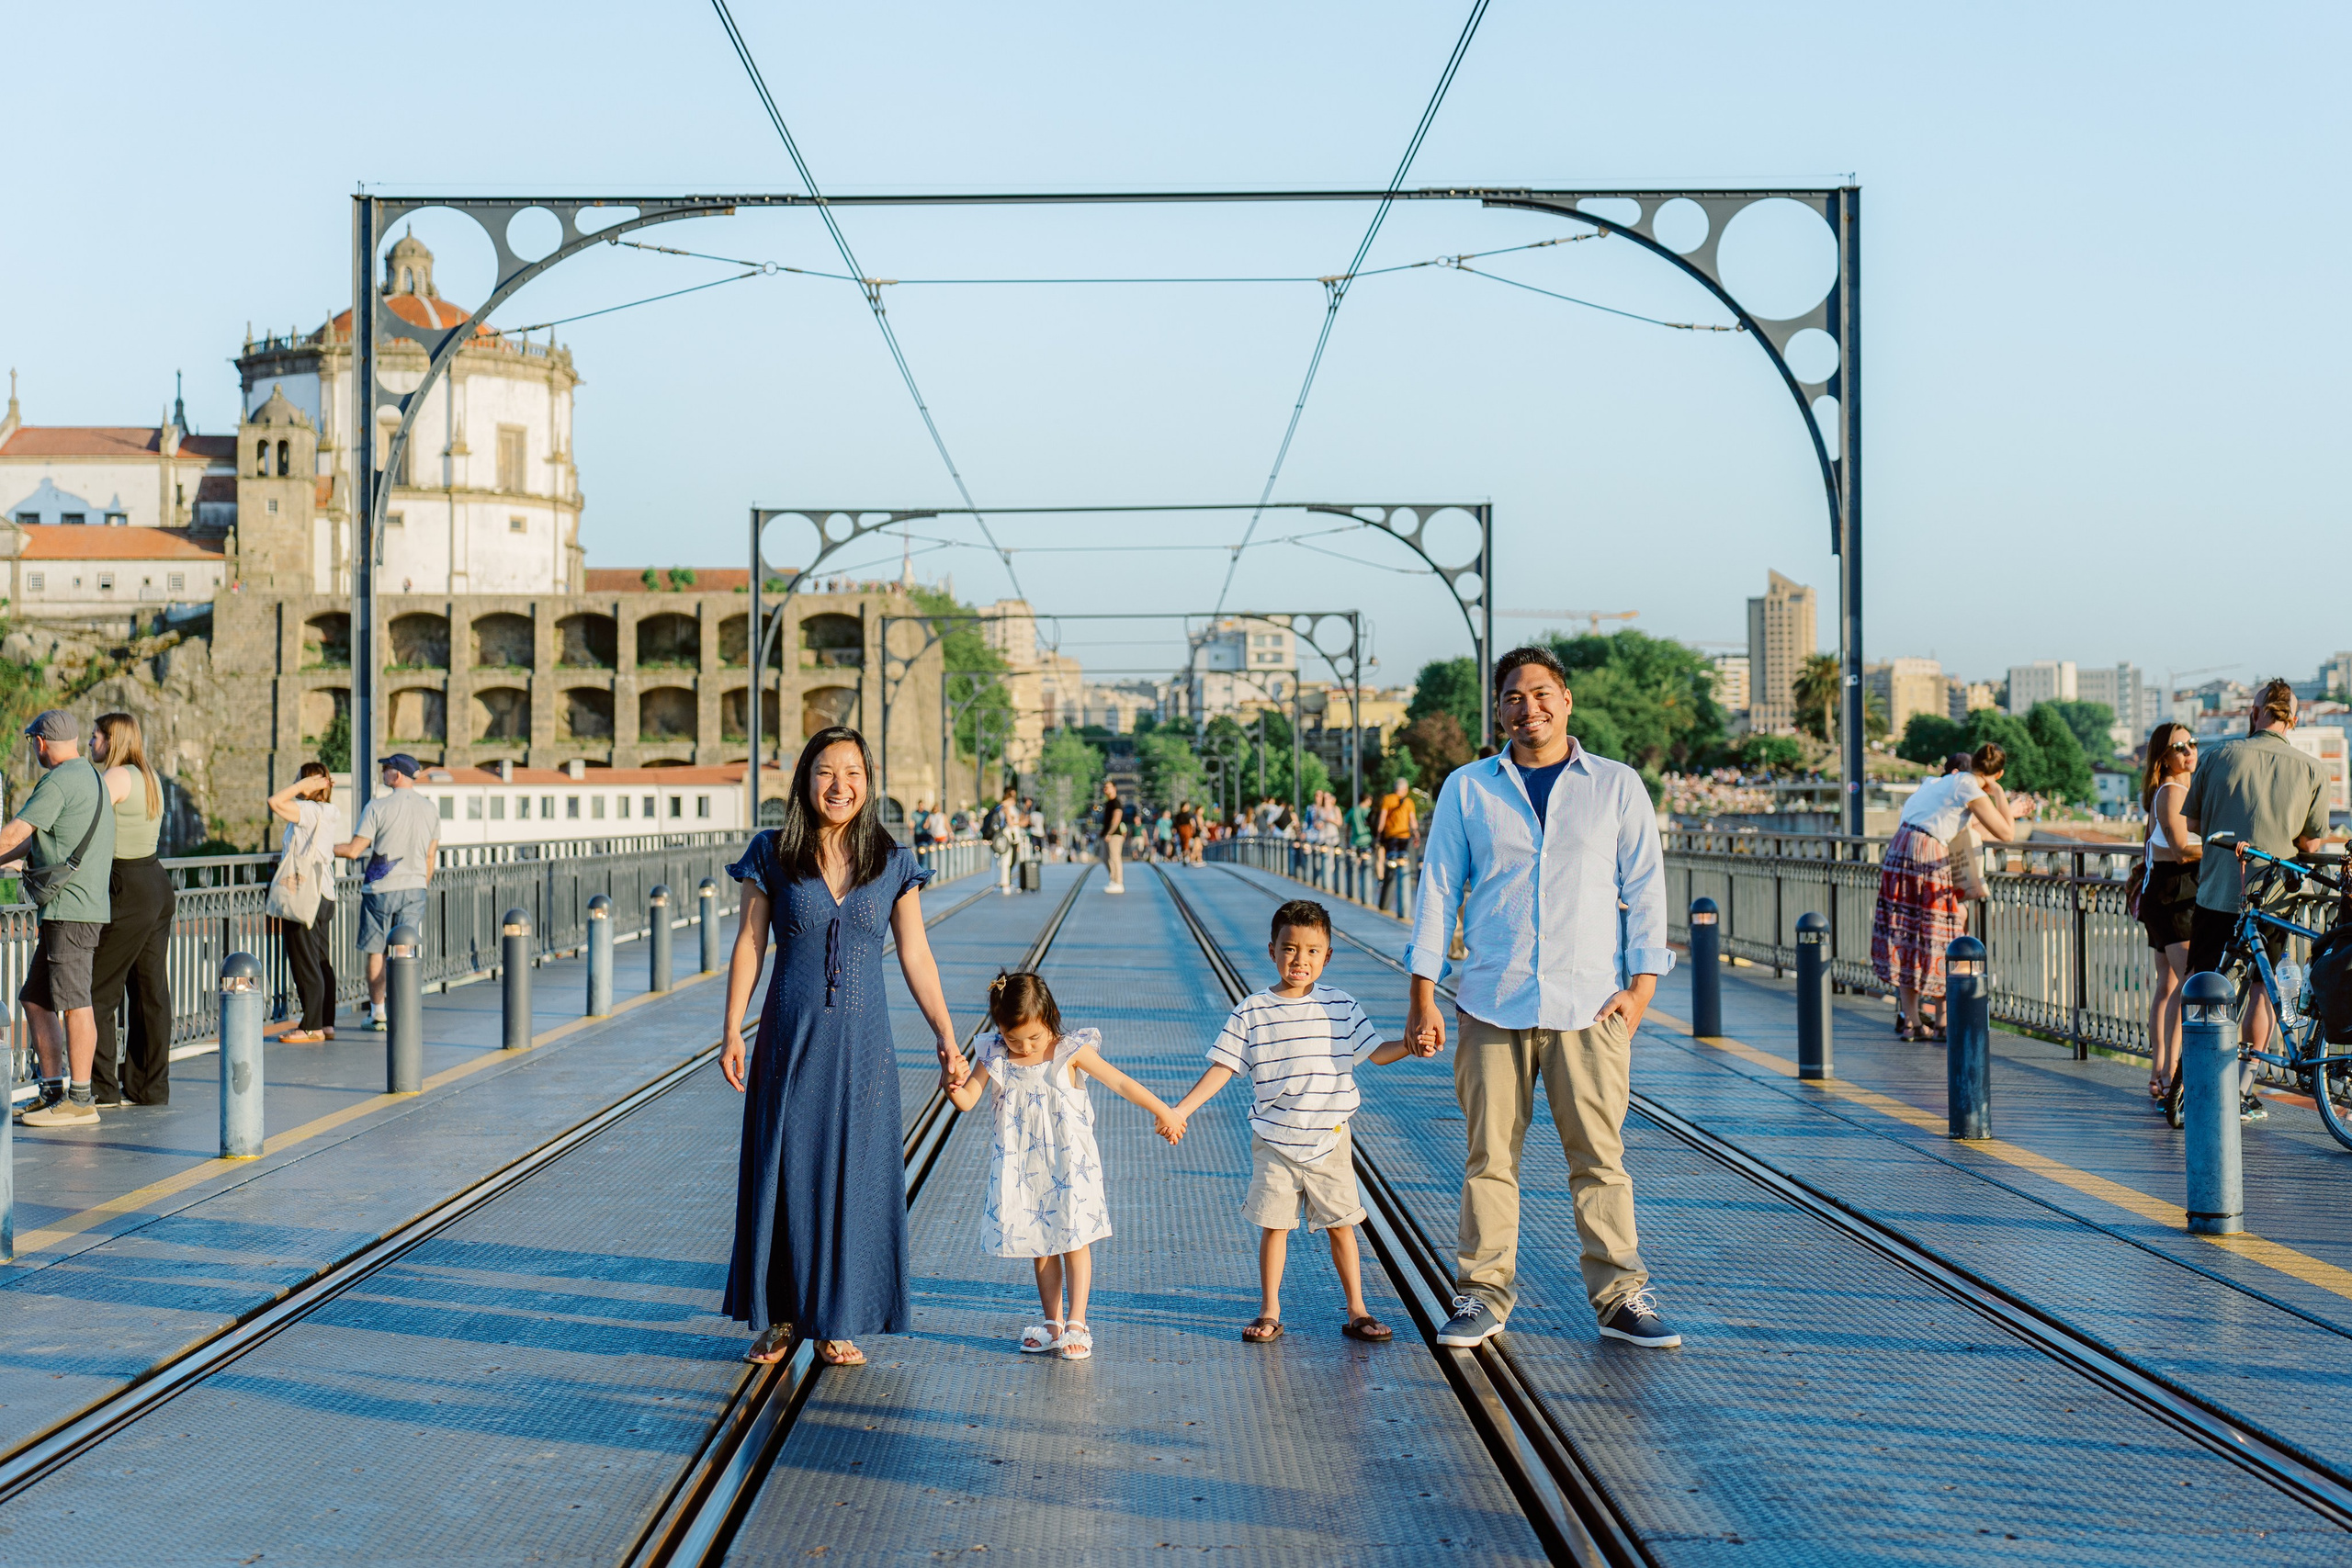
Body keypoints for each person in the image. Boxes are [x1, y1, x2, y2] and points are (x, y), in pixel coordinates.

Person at [1404, 647, 1681, 1350]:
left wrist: (1641, 990)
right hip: (1491, 999)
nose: (1529, 708)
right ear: (1498, 709)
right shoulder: (1468, 789)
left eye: (1541, 693)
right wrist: (1424, 993)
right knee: (1489, 1156)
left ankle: (1621, 1295)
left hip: (1590, 1005)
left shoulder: (1615, 785)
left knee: (1599, 1156)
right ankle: (1482, 1293)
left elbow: (1646, 887)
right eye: (1513, 698)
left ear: (1566, 698)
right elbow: (1438, 890)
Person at [722, 726, 959, 1368]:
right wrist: (731, 1029)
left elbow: (916, 953)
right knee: (785, 1167)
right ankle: (780, 1318)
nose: (840, 785)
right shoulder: (771, 853)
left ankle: (837, 1318)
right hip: (789, 1037)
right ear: (805, 779)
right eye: (826, 771)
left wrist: (945, 1034)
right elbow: (750, 945)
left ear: (868, 782)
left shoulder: (892, 860)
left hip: (866, 1046)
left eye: (852, 772)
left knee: (856, 1174)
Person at [1166, 898, 1421, 1345]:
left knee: (1344, 1224)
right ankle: (1269, 1309)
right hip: (1275, 1140)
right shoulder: (1253, 1011)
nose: (1299, 960)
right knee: (1275, 1225)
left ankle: (1357, 1309)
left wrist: (1411, 1043)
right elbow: (1224, 1067)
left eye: (1311, 951)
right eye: (1289, 949)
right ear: (1271, 950)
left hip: (1330, 1138)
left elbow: (1376, 1053)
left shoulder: (1341, 1006)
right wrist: (1182, 1109)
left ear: (1327, 956)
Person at [944, 970, 1182, 1362]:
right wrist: (953, 1084)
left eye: (1033, 1038)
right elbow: (969, 1099)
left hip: (1069, 1164)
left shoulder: (1070, 1051)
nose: (1023, 1047)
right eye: (1012, 1038)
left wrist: (1164, 1111)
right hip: (1024, 1166)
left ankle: (1077, 1321)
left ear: (1050, 1017)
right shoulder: (995, 1055)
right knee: (1041, 1244)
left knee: (1073, 1239)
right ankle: (1052, 1322)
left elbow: (1121, 1083)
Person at [2183, 678, 2328, 1122]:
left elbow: (2193, 824)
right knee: (2264, 990)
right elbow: (2311, 842)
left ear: (2255, 711)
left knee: (2203, 988)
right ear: (2294, 720)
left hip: (2217, 893)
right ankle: (2245, 1089)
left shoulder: (2219, 756)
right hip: (2275, 900)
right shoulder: (2311, 769)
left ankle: (2197, 1083)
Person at [0, 710, 117, 1127]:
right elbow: (34, 840)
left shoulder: (58, 780)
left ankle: (80, 1100)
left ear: (41, 743)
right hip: (76, 908)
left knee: (75, 1003)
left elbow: (15, 833)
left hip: (71, 911)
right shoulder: (90, 778)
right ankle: (52, 1091)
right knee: (35, 997)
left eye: (32, 741)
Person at [1870, 743, 2028, 1041]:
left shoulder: (1937, 782)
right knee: (1944, 934)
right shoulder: (1971, 788)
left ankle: (1912, 1022)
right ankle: (1942, 1022)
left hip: (1900, 847)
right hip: (1927, 854)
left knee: (1906, 933)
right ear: (1998, 773)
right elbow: (2007, 833)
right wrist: (1998, 793)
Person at [87, 712, 177, 1107]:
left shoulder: (116, 777)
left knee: (95, 990)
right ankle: (149, 1087)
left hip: (127, 887)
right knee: (150, 992)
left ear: (112, 740)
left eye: (95, 736)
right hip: (155, 884)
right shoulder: (149, 776)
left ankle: (100, 1088)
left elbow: (80, 820)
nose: (90, 743)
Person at [334, 752, 439, 1032]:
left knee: (376, 950)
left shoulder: (377, 807)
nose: (383, 773)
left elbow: (355, 850)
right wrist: (422, 884)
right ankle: (403, 1010)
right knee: (404, 949)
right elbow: (431, 856)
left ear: (398, 775)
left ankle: (378, 1011)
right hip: (416, 887)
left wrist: (325, 848)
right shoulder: (430, 809)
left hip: (381, 889)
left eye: (387, 769)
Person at [2137, 723, 2201, 1109]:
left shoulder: (2167, 792)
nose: (2188, 751)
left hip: (2161, 891)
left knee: (2167, 984)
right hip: (2175, 893)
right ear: (2165, 756)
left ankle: (2160, 1071)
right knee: (2190, 982)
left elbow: (2152, 846)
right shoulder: (2173, 792)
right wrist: (2227, 849)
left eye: (2192, 743)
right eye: (2179, 747)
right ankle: (2173, 1074)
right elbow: (2180, 850)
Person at [268, 761, 341, 1043]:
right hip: (325, 892)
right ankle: (326, 1022)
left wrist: (301, 788)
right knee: (321, 959)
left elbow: (274, 801)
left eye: (299, 780)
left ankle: (311, 1026)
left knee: (305, 960)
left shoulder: (308, 811)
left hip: (304, 894)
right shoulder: (330, 811)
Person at [1375, 778, 1416, 914]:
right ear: (1405, 789)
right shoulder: (1409, 802)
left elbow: (1383, 817)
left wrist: (1379, 833)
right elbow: (1412, 820)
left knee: (1391, 860)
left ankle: (1387, 892)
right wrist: (1415, 833)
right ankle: (1402, 908)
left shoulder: (1387, 799)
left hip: (1391, 836)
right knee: (1403, 859)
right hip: (1404, 836)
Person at [985, 785, 1020, 895]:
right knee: (1006, 860)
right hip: (1007, 836)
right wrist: (1018, 822)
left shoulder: (1001, 807)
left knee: (1008, 860)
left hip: (1007, 836)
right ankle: (1005, 883)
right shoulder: (1006, 808)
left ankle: (1005, 882)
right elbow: (1009, 822)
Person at [1098, 779, 1127, 894]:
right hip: (1108, 834)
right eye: (1104, 788)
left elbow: (1116, 819)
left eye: (1108, 787)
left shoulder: (1116, 802)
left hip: (1114, 835)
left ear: (1114, 789)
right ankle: (1113, 879)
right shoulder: (1109, 803)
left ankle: (1118, 882)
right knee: (1105, 858)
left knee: (1114, 858)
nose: (1105, 790)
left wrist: (1109, 833)